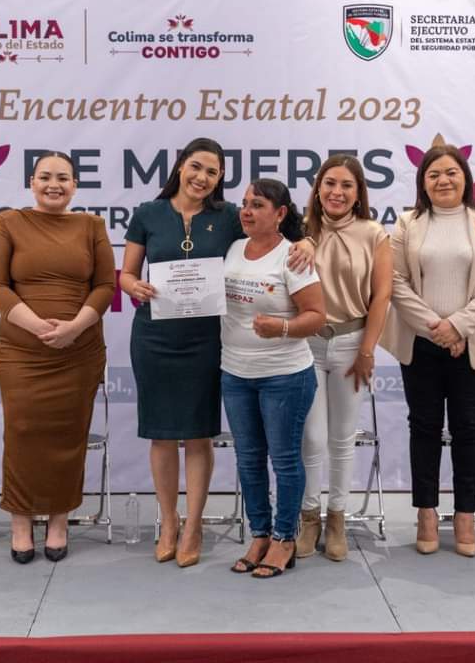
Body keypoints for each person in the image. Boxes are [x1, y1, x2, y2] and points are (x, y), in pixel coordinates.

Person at [120, 138, 312, 568]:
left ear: (220, 178)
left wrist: (309, 243)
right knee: (161, 435)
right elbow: (127, 274)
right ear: (180, 166)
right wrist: (133, 286)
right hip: (154, 337)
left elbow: (282, 235)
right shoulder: (148, 213)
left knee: (198, 435)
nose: (202, 177)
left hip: (207, 340)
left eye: (212, 172)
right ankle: (169, 522)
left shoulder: (228, 216)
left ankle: (194, 525)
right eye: (196, 167)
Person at [0, 151, 114, 564]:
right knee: (21, 432)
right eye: (45, 177)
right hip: (22, 351)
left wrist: (74, 328)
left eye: (62, 178)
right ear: (32, 183)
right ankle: (20, 521)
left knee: (69, 435)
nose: (53, 185)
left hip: (79, 351)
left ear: (75, 185)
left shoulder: (91, 226)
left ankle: (59, 520)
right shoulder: (10, 223)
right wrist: (38, 326)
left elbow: (105, 286)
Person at [381, 145, 475, 557]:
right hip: (420, 342)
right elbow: (396, 282)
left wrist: (459, 326)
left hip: (471, 344)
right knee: (424, 427)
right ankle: (426, 513)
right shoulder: (408, 223)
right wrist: (436, 328)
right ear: (423, 182)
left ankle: (466, 516)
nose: (443, 180)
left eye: (451, 172)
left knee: (469, 428)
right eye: (433, 174)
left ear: (465, 178)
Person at [222, 178, 325, 579]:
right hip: (235, 374)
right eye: (245, 203)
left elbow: (316, 317)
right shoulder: (234, 248)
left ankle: (285, 539)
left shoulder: (293, 256)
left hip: (284, 376)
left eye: (258, 205)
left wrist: (281, 328)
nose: (247, 211)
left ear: (280, 213)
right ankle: (260, 535)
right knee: (248, 460)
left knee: (284, 460)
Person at [296, 155, 390, 562]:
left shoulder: (373, 233)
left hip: (352, 343)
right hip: (306, 345)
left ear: (358, 192)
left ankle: (336, 518)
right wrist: (305, 238)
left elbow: (382, 296)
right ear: (318, 188)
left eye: (347, 185)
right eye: (330, 183)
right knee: (311, 437)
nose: (337, 192)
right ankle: (309, 517)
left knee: (342, 438)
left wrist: (368, 349)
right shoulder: (299, 230)